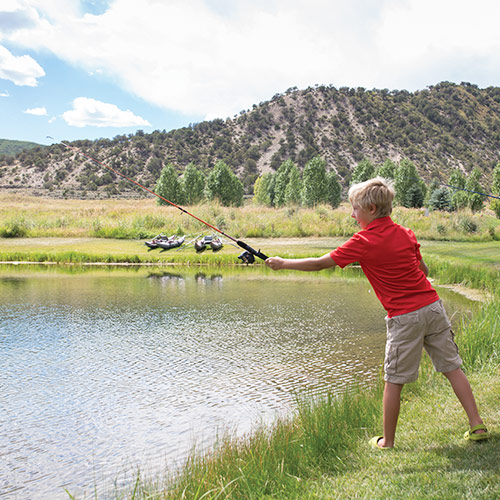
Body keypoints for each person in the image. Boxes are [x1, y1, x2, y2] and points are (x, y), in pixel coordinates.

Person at [265, 177, 488, 449]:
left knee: (393, 380)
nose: (352, 214)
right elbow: (424, 272)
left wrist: (282, 263)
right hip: (433, 307)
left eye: (355, 209)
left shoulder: (363, 241)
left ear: (371, 208)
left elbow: (320, 264)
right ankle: (476, 424)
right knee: (452, 367)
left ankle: (388, 442)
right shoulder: (406, 233)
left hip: (405, 318)